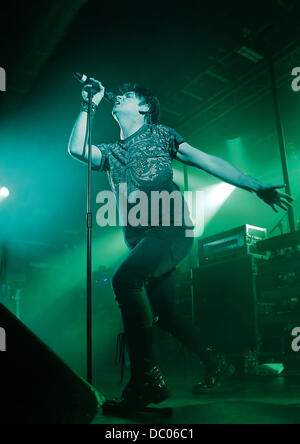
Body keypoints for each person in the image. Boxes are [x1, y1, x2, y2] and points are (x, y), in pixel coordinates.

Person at [68, 79, 294, 408]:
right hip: (141, 238)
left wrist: (255, 185)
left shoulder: (161, 133)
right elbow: (76, 149)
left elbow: (209, 161)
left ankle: (146, 380)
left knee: (126, 280)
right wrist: (88, 104)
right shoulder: (112, 152)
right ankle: (215, 361)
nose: (120, 98)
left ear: (144, 109)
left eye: (129, 96)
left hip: (169, 227)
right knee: (165, 313)